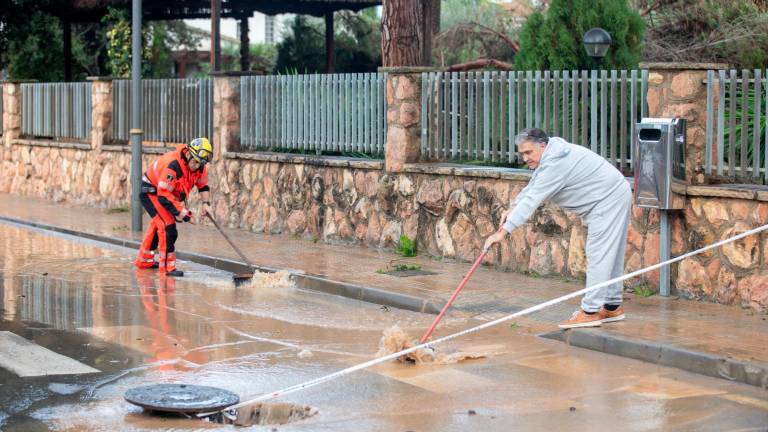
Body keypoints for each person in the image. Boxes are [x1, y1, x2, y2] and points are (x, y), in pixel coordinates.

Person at [483, 128, 632, 329]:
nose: (525, 158)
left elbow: (533, 200)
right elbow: (533, 186)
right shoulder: (551, 155)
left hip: (608, 199)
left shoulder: (555, 163)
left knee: (599, 254)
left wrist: (502, 232)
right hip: (612, 195)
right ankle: (612, 307)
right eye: (522, 154)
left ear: (542, 146)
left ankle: (590, 312)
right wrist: (512, 207)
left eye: (529, 153)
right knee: (609, 254)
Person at [134, 137, 214, 277]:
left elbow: (203, 186)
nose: (197, 166)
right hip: (151, 191)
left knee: (158, 224)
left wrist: (206, 204)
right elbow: (163, 195)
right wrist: (185, 214)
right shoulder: (173, 165)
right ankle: (167, 268)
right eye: (195, 162)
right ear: (189, 154)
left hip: (164, 194)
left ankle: (144, 261)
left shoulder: (200, 166)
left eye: (200, 164)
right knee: (167, 226)